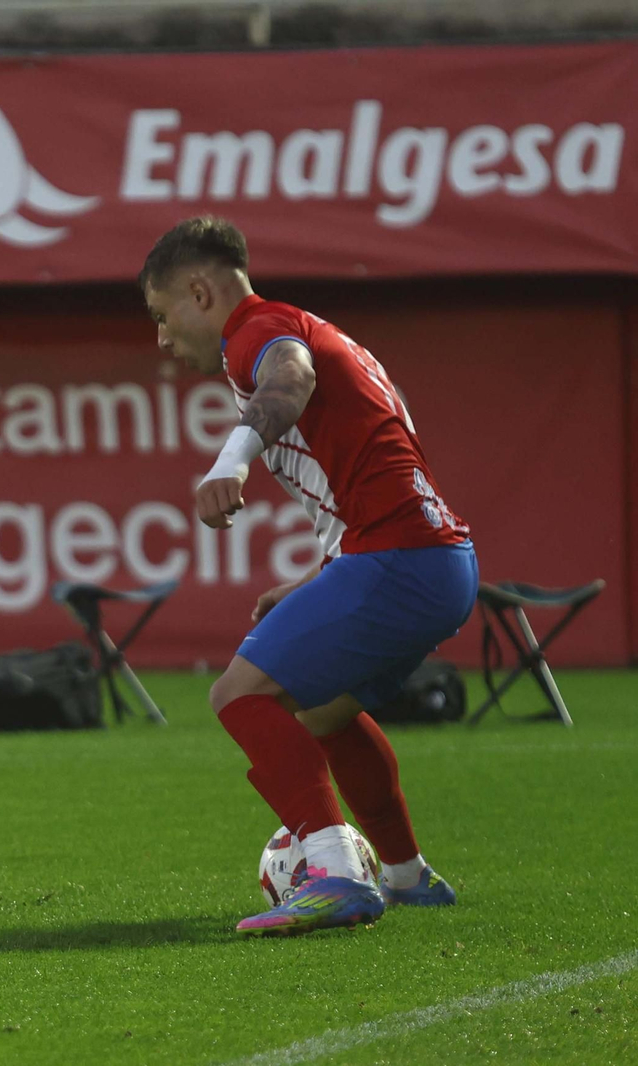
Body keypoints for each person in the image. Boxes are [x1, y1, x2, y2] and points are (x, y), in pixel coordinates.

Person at [140, 216, 476, 937]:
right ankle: (407, 875)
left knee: (238, 694)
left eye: (164, 316)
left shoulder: (257, 334)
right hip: (434, 560)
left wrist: (229, 462)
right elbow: (370, 473)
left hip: (403, 558)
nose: (163, 339)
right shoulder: (307, 326)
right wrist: (317, 578)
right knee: (320, 711)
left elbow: (290, 378)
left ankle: (332, 873)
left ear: (200, 291)